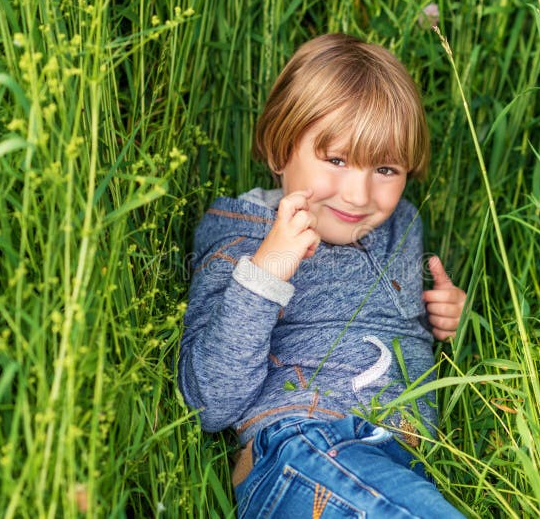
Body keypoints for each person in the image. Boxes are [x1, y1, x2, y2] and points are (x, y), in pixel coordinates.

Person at [179, 33, 467, 518]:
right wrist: (269, 270)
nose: (358, 194)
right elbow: (209, 401)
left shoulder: (402, 225)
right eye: (336, 160)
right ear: (280, 150)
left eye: (385, 168)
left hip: (394, 460)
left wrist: (443, 314)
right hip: (304, 444)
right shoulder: (244, 239)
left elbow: (395, 319)